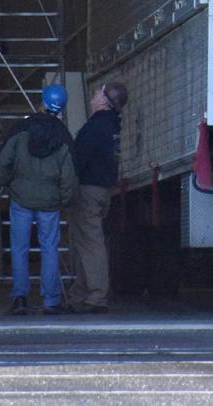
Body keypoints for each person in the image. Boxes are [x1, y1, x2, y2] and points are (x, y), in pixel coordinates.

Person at [0, 99, 77, 315]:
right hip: (50, 202)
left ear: (41, 103)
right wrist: (64, 199)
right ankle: (51, 300)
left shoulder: (21, 129)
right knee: (50, 248)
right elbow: (69, 175)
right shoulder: (63, 135)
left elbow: (4, 162)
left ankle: (20, 298)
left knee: (19, 248)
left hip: (20, 198)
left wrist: (4, 182)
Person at [66, 81, 127, 314]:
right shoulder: (112, 127)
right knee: (85, 242)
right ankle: (80, 294)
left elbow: (79, 160)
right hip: (103, 190)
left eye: (95, 94)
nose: (92, 97)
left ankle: (96, 296)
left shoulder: (94, 127)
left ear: (103, 101)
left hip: (88, 190)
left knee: (90, 244)